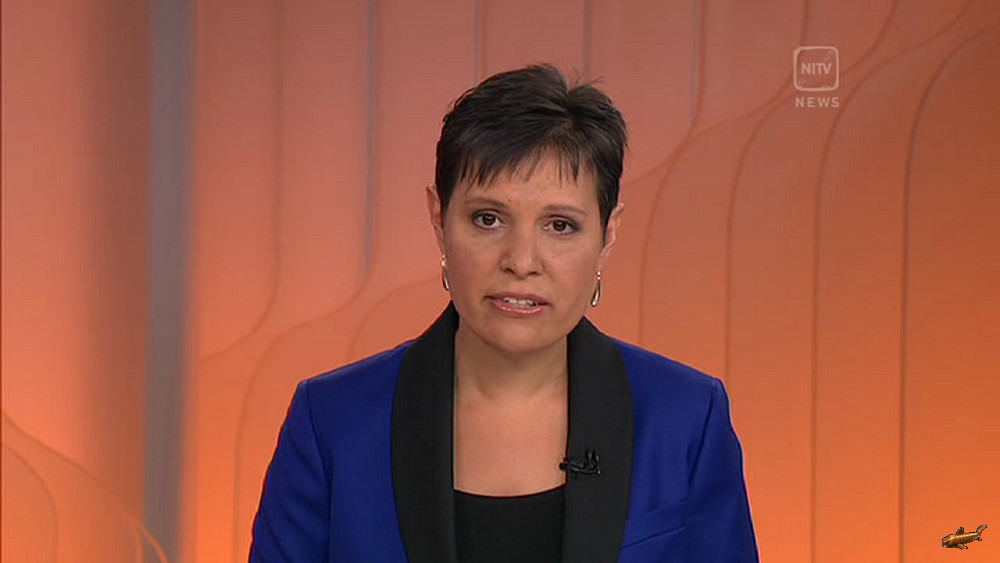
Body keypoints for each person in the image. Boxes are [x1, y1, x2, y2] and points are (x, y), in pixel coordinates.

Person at [249, 64, 758, 562]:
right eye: (488, 219)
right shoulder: (332, 421)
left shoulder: (686, 417)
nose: (521, 261)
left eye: (560, 225)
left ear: (608, 234)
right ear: (438, 218)